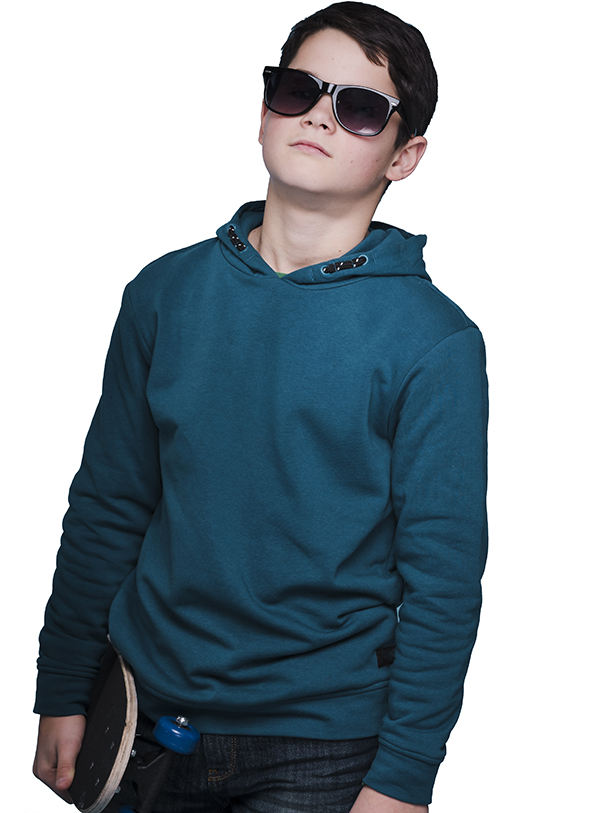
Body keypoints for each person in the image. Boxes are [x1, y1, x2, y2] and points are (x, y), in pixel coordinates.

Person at [32, 2, 489, 811]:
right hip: (143, 711)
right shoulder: (164, 293)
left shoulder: (434, 341)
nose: (319, 115)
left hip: (321, 746)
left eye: (360, 107)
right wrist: (63, 683)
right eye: (297, 90)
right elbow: (109, 503)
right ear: (264, 110)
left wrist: (404, 774)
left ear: (405, 155)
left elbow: (443, 579)